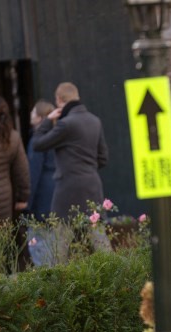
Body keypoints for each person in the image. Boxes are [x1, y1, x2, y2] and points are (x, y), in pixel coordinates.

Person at [32, 82, 111, 258]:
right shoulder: (94, 121)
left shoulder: (65, 124)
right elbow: (103, 158)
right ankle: (119, 276)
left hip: (67, 190)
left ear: (59, 100)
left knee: (60, 243)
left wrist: (47, 120)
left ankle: (56, 282)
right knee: (99, 238)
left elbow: (38, 144)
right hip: (92, 186)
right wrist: (86, 170)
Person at [25, 100, 56, 266]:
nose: (30, 114)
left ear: (40, 117)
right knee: (55, 242)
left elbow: (34, 172)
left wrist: (27, 203)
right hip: (57, 194)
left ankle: (47, 278)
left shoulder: (37, 140)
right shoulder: (58, 136)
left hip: (42, 197)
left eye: (33, 112)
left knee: (38, 244)